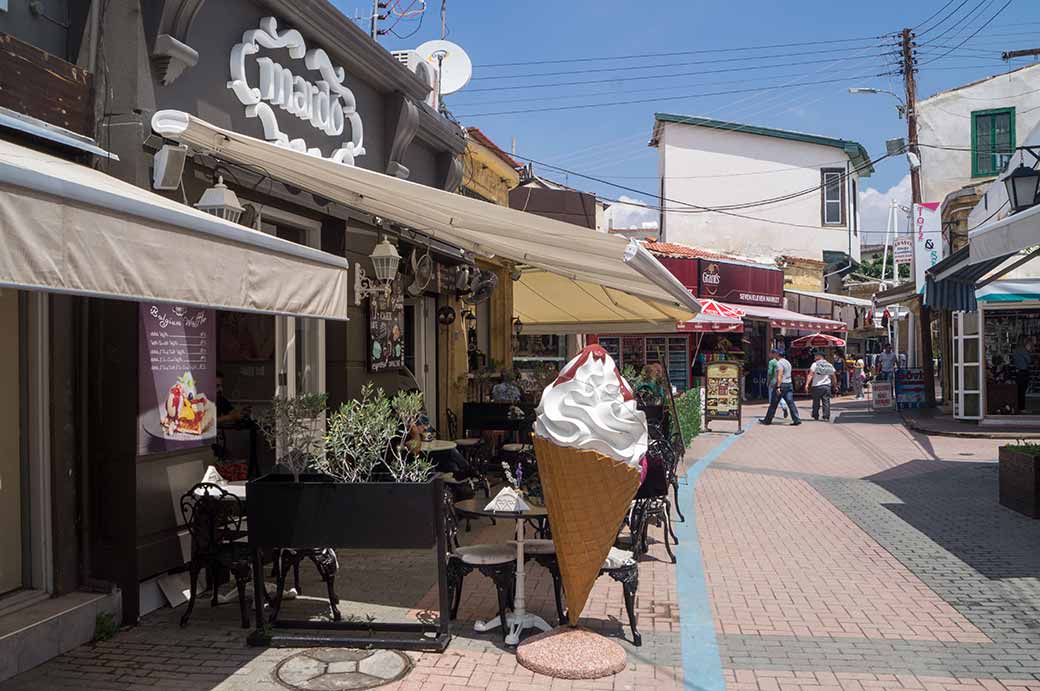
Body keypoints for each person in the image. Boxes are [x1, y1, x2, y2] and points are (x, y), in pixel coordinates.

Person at [760, 346, 801, 426]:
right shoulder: (788, 362)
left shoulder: (779, 363)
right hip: (789, 384)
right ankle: (796, 419)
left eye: (775, 354)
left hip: (782, 385)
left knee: (773, 403)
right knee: (790, 402)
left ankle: (767, 420)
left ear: (777, 354)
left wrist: (778, 386)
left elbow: (780, 375)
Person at [806, 350, 836, 421]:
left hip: (816, 386)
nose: (814, 356)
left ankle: (815, 415)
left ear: (820, 356)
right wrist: (834, 385)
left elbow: (810, 374)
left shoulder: (814, 364)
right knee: (826, 401)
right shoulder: (829, 365)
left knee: (816, 402)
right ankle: (826, 416)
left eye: (816, 355)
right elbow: (833, 376)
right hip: (826, 386)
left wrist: (807, 384)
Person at [766, 351, 789, 419]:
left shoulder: (772, 362)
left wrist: (768, 381)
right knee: (779, 395)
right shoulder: (782, 362)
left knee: (772, 397)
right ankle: (784, 406)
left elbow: (770, 372)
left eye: (770, 353)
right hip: (781, 380)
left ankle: (771, 413)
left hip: (773, 380)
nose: (769, 355)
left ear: (773, 354)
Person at [1013, 337, 1033, 413]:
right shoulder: (1023, 350)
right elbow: (1029, 360)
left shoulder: (1015, 350)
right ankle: (1022, 408)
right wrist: (1028, 352)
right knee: (1022, 391)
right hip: (1024, 372)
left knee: (1019, 391)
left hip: (1017, 372)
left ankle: (1018, 407)